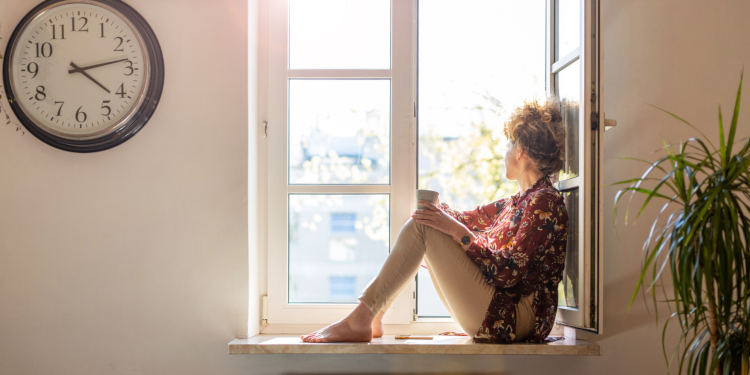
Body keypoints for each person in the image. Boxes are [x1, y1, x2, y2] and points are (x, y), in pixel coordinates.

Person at [301, 98, 569, 344]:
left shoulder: (544, 202)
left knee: (424, 228)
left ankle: (363, 317)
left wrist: (451, 229)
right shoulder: (518, 202)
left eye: (508, 144)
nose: (505, 152)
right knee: (426, 225)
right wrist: (435, 213)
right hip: (502, 312)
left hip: (515, 319)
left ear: (520, 150)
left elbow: (508, 272)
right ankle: (373, 315)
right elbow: (465, 219)